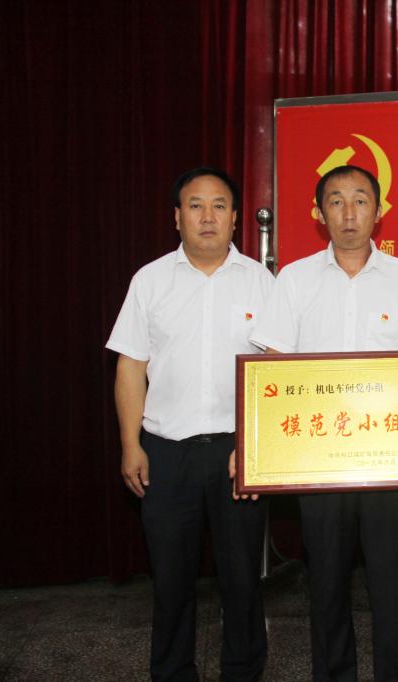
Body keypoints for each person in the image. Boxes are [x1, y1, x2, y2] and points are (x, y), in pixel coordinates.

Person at [249, 164, 398, 681]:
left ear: (379, 212)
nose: (349, 212)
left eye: (360, 200)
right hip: (319, 460)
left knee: (393, 583)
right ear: (320, 214)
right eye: (335, 201)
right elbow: (273, 366)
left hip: (392, 460)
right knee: (327, 583)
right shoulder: (294, 280)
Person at [107, 167, 274, 681]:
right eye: (195, 205)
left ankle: (243, 671)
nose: (207, 216)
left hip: (236, 452)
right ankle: (172, 671)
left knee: (242, 579)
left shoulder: (262, 282)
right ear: (176, 217)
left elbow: (277, 371)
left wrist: (255, 444)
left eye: (219, 205)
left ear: (236, 218)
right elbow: (130, 365)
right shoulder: (150, 280)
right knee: (171, 580)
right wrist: (130, 444)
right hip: (165, 451)